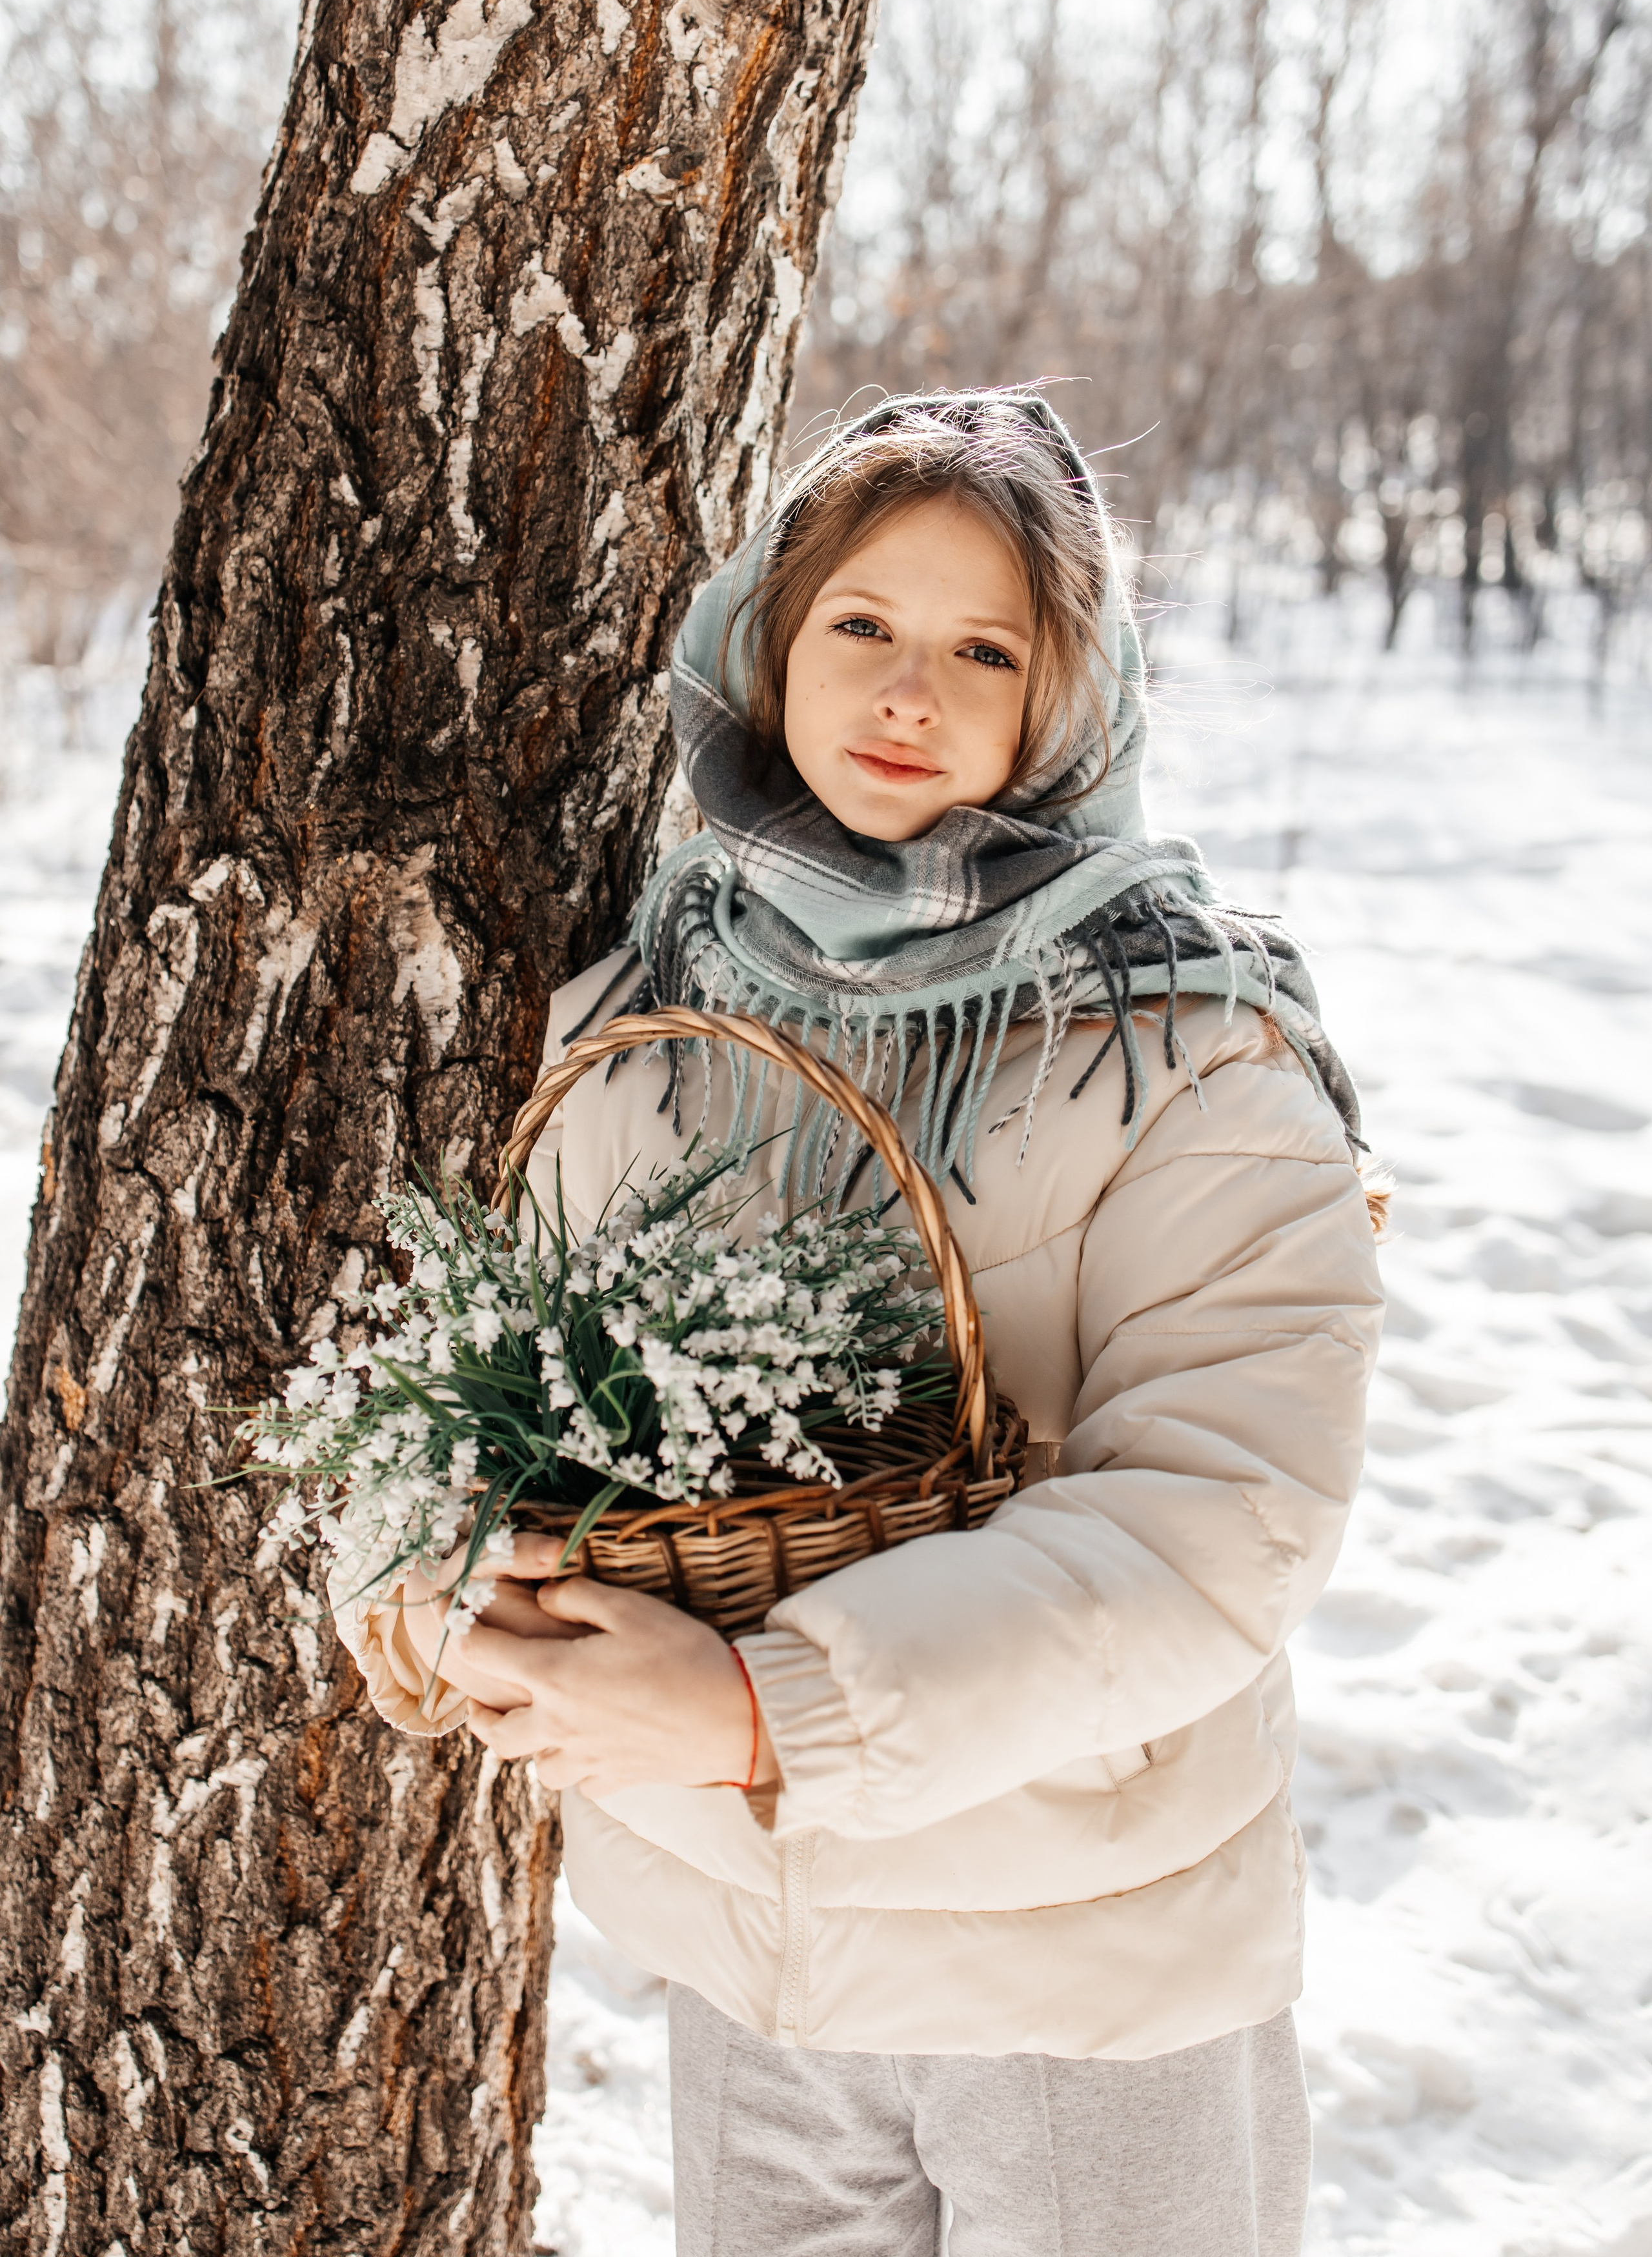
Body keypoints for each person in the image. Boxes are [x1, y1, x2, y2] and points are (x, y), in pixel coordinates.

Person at [334, 390, 1385, 2257]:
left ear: (1073, 700)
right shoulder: (649, 1021)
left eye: (986, 647)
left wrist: (761, 1706)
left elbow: (1221, 1522)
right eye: (864, 625)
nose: (911, 690)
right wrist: (451, 1605)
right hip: (754, 1969)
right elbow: (479, 1395)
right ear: (765, 640)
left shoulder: (1185, 1050)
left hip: (1087, 1967)